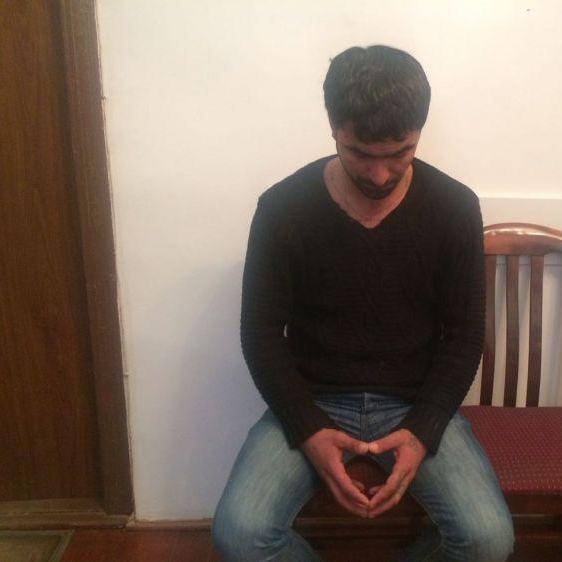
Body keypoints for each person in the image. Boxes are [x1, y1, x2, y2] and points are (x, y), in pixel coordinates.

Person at [212, 45, 515, 561]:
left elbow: (465, 337)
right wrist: (308, 430)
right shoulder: (282, 208)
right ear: (333, 128)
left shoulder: (454, 207)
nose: (379, 175)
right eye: (360, 154)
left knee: (488, 542)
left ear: (419, 133)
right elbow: (260, 335)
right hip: (314, 398)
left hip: (414, 401)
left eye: (400, 153)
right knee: (239, 536)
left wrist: (421, 432)